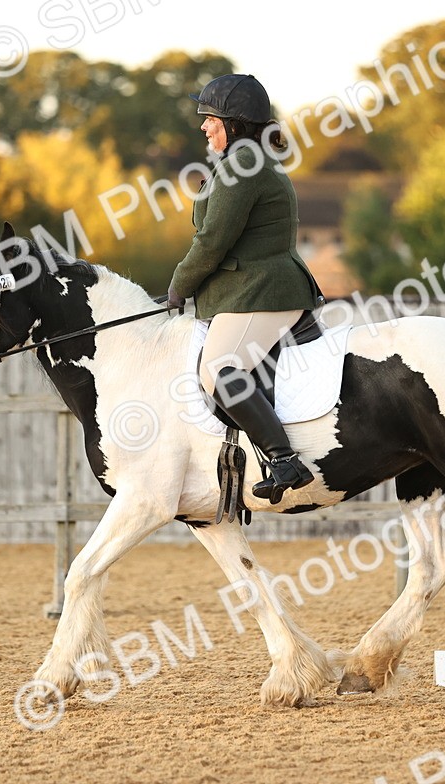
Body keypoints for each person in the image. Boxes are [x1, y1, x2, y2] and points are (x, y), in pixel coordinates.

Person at [167, 74, 321, 504]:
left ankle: (283, 459)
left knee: (218, 369)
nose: (203, 126)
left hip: (265, 290)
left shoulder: (242, 164)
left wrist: (180, 284)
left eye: (210, 118)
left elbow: (213, 239)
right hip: (248, 290)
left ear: (233, 124)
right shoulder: (237, 160)